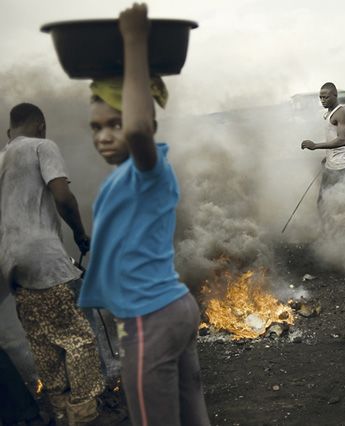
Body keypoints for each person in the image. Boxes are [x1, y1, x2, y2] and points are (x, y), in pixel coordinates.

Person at [77, 4, 210, 426]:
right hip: (174, 309)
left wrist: (134, 41)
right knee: (193, 414)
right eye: (96, 127)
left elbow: (137, 130)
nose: (103, 136)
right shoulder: (125, 177)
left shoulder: (149, 170)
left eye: (113, 124)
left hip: (149, 320)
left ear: (146, 122)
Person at [0, 102, 104, 425]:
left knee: (44, 342)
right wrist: (80, 232)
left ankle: (60, 410)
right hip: (43, 260)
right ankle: (84, 415)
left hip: (12, 267)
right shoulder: (43, 146)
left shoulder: (2, 158)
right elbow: (62, 196)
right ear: (41, 126)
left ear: (8, 133)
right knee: (78, 339)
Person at [301, 82, 345, 207]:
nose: (322, 100)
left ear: (335, 96)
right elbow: (333, 137)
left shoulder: (341, 113)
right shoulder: (328, 113)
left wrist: (315, 146)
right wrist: (328, 156)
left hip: (343, 165)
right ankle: (326, 226)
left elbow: (342, 140)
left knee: (344, 203)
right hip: (332, 163)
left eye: (326, 97)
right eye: (320, 97)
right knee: (322, 202)